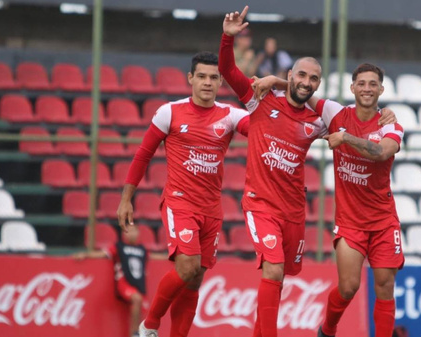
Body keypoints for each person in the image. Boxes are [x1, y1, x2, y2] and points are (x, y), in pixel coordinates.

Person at [220, 8, 396, 337]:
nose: (306, 83)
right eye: (300, 76)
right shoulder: (260, 100)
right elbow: (228, 70)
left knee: (280, 276)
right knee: (272, 269)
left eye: (313, 79)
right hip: (259, 203)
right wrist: (228, 36)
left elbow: (359, 119)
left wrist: (386, 113)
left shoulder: (320, 119)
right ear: (292, 74)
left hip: (293, 210)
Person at [252, 63, 403, 337]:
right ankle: (328, 328)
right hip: (350, 223)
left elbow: (381, 153)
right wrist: (275, 80)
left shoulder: (391, 125)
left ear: (381, 89)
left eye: (373, 84)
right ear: (352, 87)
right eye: (362, 83)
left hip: (383, 221)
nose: (367, 89)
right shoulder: (335, 112)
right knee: (348, 287)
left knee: (385, 284)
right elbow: (301, 90)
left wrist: (345, 137)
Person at [117, 51, 250, 337]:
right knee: (187, 267)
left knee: (194, 281)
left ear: (220, 83)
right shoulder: (170, 112)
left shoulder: (230, 115)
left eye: (214, 77)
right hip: (180, 203)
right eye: (201, 76)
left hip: (212, 208)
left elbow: (260, 131)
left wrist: (264, 101)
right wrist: (126, 199)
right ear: (190, 78)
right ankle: (149, 325)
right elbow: (143, 154)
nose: (207, 82)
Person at [74, 225, 167, 337]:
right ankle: (135, 334)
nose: (132, 234)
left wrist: (173, 257)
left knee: (142, 307)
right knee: (137, 299)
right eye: (129, 231)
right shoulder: (119, 247)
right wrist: (85, 254)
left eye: (134, 231)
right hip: (124, 283)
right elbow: (102, 254)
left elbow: (155, 256)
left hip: (138, 285)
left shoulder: (142, 250)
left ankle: (140, 332)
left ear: (138, 233)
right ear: (124, 234)